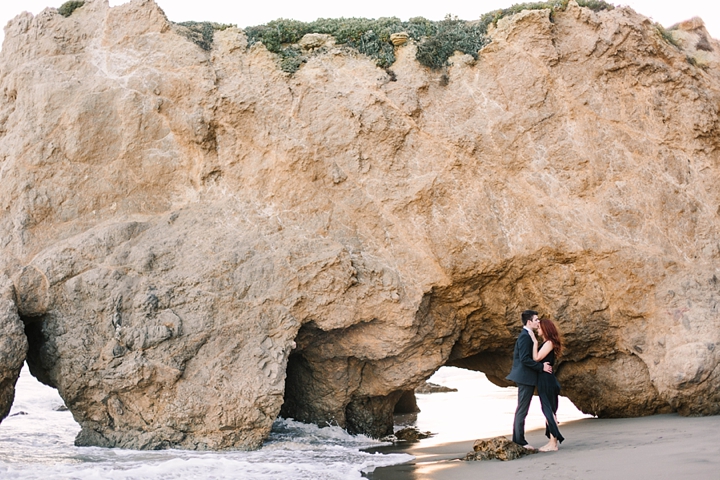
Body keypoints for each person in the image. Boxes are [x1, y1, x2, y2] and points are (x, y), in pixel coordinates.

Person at [506, 310, 552, 450]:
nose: (539, 322)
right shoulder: (525, 336)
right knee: (522, 409)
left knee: (522, 408)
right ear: (529, 322)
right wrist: (541, 367)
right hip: (525, 377)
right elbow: (525, 359)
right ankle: (519, 441)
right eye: (536, 319)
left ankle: (518, 439)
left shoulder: (528, 335)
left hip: (526, 377)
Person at [529, 317, 565, 451]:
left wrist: (534, 342)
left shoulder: (549, 343)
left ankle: (553, 443)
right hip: (546, 379)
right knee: (549, 410)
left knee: (548, 410)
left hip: (547, 380)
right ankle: (552, 442)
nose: (537, 329)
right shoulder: (548, 343)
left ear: (545, 329)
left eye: (539, 328)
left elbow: (536, 358)